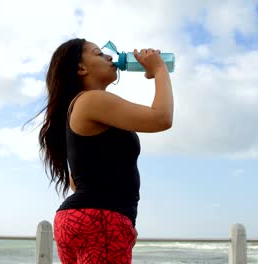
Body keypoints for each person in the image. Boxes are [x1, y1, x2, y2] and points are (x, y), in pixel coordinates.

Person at [36, 38, 173, 263]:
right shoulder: (92, 100)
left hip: (77, 220)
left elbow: (76, 180)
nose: (109, 57)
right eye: (99, 54)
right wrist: (159, 69)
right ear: (81, 68)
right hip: (101, 218)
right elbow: (162, 118)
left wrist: (118, 220)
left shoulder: (78, 106)